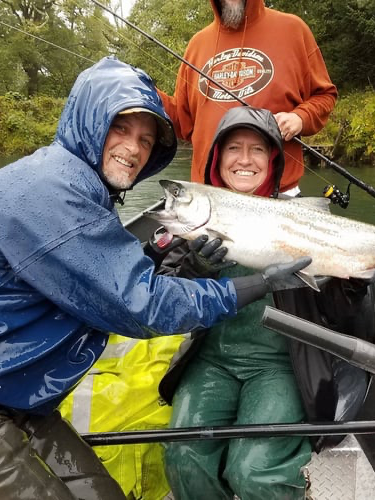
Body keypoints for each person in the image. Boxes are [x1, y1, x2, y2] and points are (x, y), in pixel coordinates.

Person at [0, 56, 312, 499]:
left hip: (26, 399)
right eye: (120, 129)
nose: (134, 147)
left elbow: (121, 278)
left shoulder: (86, 196)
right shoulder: (52, 193)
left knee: (252, 472)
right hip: (19, 393)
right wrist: (239, 278)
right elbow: (143, 300)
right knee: (183, 456)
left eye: (147, 139)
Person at [158, 106, 375, 500]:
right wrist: (197, 264)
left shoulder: (296, 212)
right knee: (183, 459)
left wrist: (355, 283)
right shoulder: (187, 232)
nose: (244, 159)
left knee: (254, 471)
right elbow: (164, 303)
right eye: (233, 149)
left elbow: (344, 316)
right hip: (212, 360)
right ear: (218, 159)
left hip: (282, 364)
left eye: (257, 149)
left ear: (273, 160)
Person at [158, 0, 337, 195]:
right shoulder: (197, 45)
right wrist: (145, 90)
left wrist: (300, 118)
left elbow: (325, 95)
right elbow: (183, 121)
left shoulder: (293, 30)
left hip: (279, 194)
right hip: (210, 197)